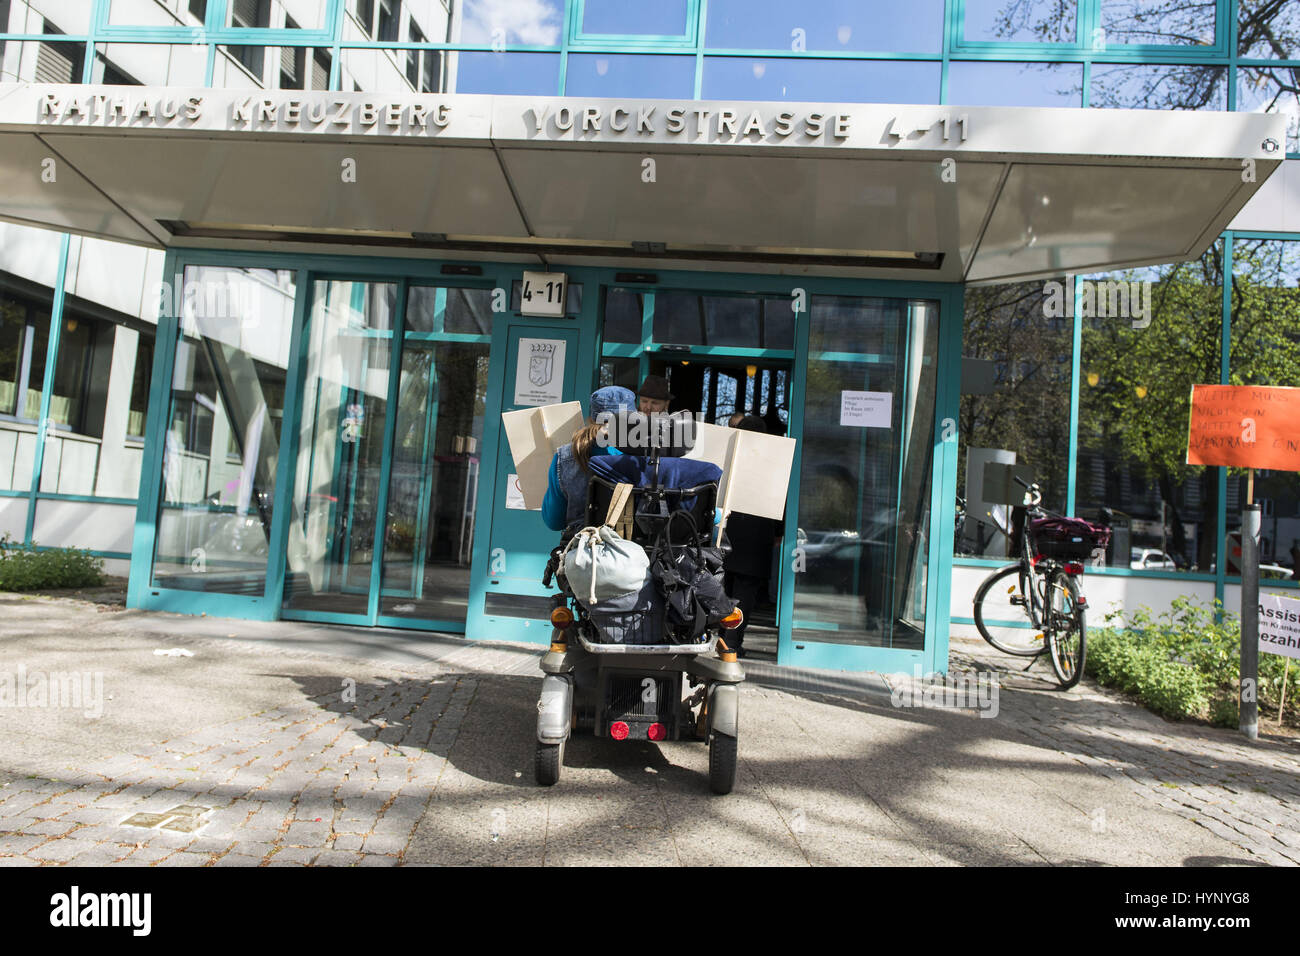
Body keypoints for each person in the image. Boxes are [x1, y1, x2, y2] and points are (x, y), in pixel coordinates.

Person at [721, 415, 783, 658]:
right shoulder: (774, 462)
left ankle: (725, 638)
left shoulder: (731, 456)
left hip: (730, 532)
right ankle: (733, 641)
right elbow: (781, 500)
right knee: (745, 595)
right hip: (758, 537)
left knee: (724, 588)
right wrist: (778, 531)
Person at [541, 386, 637, 532]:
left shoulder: (565, 456)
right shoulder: (646, 457)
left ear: (591, 418)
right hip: (633, 550)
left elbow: (554, 522)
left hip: (582, 550)